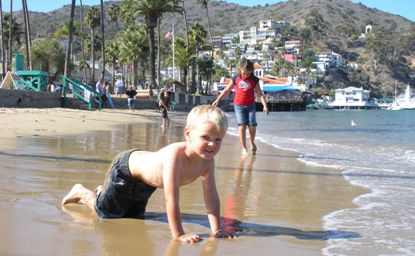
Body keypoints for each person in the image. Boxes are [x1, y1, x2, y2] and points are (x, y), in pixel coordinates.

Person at [61, 105, 235, 244]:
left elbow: (211, 197)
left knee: (133, 216)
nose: (212, 144)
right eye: (205, 137)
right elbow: (170, 199)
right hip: (126, 170)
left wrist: (216, 229)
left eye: (218, 139)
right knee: (106, 212)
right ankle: (82, 192)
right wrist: (179, 234)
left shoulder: (207, 163)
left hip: (147, 182)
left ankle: (103, 192)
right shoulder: (175, 156)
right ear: (188, 134)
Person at [212, 58, 269, 156]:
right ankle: (243, 148)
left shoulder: (254, 79)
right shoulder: (236, 78)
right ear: (240, 69)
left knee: (252, 125)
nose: (245, 75)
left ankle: (251, 142)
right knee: (242, 126)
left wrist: (264, 105)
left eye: (248, 73)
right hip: (238, 105)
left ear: (251, 71)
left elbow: (259, 94)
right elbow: (226, 90)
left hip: (251, 105)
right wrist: (218, 100)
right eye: (244, 73)